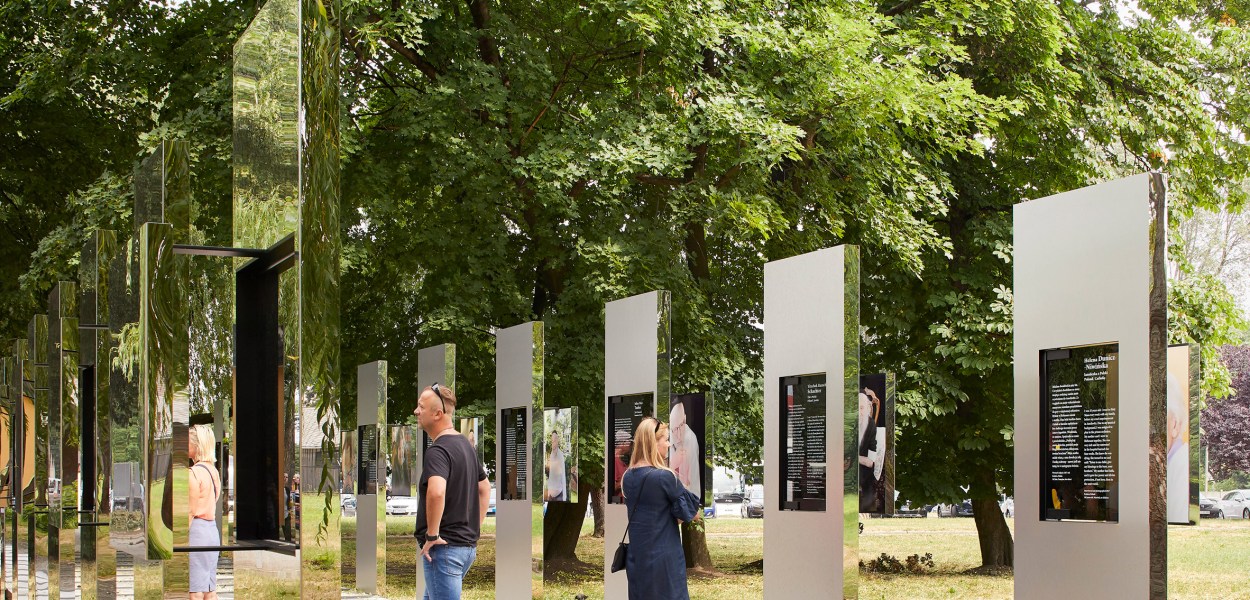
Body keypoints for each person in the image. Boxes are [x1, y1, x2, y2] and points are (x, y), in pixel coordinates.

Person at [413, 383, 491, 600]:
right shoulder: (465, 445)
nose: (416, 411)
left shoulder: (438, 451)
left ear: (438, 414)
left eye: (421, 407)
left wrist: (432, 534)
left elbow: (436, 492)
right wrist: (474, 526)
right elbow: (484, 487)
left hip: (444, 550)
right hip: (463, 548)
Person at [621, 417, 700, 600]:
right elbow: (691, 514)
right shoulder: (665, 477)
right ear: (653, 443)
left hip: (638, 558)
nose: (668, 444)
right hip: (664, 560)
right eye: (665, 439)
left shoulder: (628, 477)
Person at [188, 424, 221, 600]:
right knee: (209, 586)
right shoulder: (213, 471)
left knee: (195, 588)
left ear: (197, 445)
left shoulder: (193, 473)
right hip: (211, 530)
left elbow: (191, 510)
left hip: (197, 531)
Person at [668, 402, 701, 497]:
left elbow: (694, 479)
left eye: (680, 426)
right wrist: (673, 464)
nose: (677, 434)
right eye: (674, 429)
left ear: (685, 419)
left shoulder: (691, 439)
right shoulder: (667, 437)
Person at [545, 429, 568, 502]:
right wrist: (548, 492)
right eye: (552, 441)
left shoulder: (560, 455)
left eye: (555, 440)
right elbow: (551, 475)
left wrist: (564, 497)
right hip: (550, 497)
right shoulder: (551, 454)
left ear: (557, 441)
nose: (553, 443)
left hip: (559, 497)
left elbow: (563, 476)